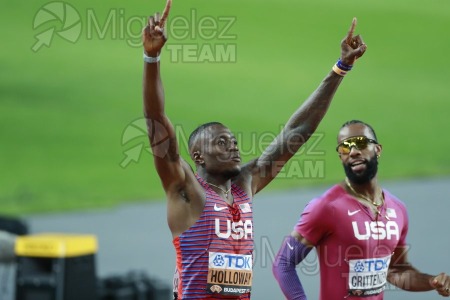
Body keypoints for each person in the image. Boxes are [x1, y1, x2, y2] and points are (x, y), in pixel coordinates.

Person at [141, 0, 367, 298]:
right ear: (198, 156)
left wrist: (341, 68)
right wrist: (151, 58)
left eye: (234, 141)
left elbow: (297, 132)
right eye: (221, 142)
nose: (233, 146)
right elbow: (157, 123)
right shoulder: (185, 189)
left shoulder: (244, 184)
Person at [272, 120, 450, 299]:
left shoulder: (398, 209)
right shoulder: (326, 207)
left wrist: (431, 281)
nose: (353, 152)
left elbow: (396, 270)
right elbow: (283, 262)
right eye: (344, 148)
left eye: (361, 143)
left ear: (378, 150)